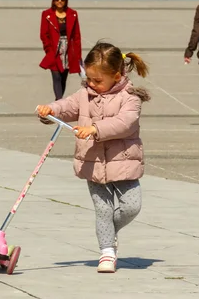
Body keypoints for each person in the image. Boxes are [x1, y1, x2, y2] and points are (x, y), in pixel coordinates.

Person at [36, 42, 151, 273]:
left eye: (97, 81)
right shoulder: (84, 94)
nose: (92, 84)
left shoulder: (130, 97)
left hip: (124, 162)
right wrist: (51, 111)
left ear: (116, 76)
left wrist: (95, 129)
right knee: (103, 210)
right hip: (93, 162)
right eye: (89, 78)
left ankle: (109, 230)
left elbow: (125, 123)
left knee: (132, 207)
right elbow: (66, 107)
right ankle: (107, 251)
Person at [39, 0, 82, 100]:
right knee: (56, 75)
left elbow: (76, 36)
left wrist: (78, 55)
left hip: (68, 50)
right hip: (54, 50)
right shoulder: (47, 14)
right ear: (53, 1)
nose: (60, 1)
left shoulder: (72, 14)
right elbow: (44, 34)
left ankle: (58, 102)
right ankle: (59, 101)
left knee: (63, 77)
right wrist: (48, 49)